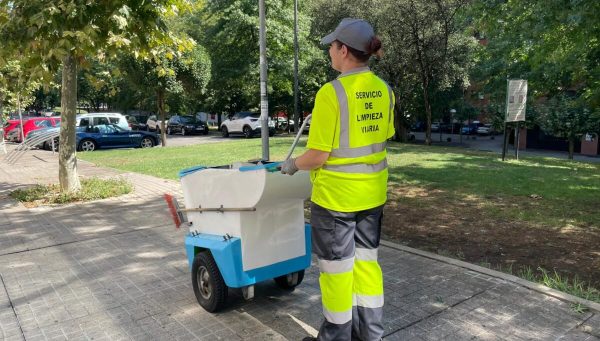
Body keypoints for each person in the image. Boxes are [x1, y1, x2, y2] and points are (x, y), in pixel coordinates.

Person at [280, 18, 395, 341]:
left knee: (337, 272)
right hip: (372, 198)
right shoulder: (385, 91)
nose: (329, 51)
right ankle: (369, 335)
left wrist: (291, 166)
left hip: (336, 203)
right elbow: (377, 138)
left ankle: (335, 338)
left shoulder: (331, 94)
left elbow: (317, 156)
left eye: (332, 46)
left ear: (344, 51)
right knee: (366, 267)